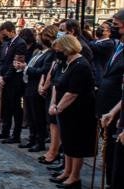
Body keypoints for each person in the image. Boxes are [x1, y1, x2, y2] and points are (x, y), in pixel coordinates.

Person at [49, 35, 96, 188]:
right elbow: (58, 84)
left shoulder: (81, 65)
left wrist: (58, 107)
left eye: (59, 49)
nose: (58, 52)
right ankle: (67, 171)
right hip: (67, 112)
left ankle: (75, 176)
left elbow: (72, 92)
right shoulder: (68, 63)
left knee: (76, 145)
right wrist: (56, 104)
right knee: (68, 142)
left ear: (67, 48)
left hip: (79, 112)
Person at [16, 25, 57, 152]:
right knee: (31, 116)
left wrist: (26, 68)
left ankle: (39, 141)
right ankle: (32, 138)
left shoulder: (51, 54)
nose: (38, 39)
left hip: (37, 87)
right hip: (30, 86)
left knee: (38, 116)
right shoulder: (38, 52)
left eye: (41, 36)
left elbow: (43, 71)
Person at [96, 10, 124, 187]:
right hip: (110, 108)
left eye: (116, 25)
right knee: (109, 152)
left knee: (116, 155)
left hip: (119, 110)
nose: (113, 28)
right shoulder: (116, 46)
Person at [0, 21, 27, 143]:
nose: (3, 36)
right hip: (3, 79)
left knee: (15, 108)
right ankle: (5, 131)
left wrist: (5, 77)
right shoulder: (6, 43)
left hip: (14, 81)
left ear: (12, 31)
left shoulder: (20, 43)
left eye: (5, 33)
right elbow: (1, 61)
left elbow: (15, 64)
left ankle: (16, 134)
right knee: (5, 107)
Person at [89, 21, 116, 87]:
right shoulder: (95, 41)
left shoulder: (109, 43)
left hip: (99, 76)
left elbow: (91, 46)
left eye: (102, 28)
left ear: (109, 32)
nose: (99, 29)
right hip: (92, 72)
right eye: (99, 27)